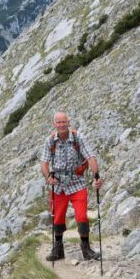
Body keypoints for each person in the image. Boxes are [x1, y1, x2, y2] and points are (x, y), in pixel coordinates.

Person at [40, 112, 103, 261]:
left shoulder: (78, 138)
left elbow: (90, 157)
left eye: (64, 122)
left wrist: (96, 176)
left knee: (81, 216)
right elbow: (44, 163)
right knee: (57, 218)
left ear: (68, 122)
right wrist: (48, 176)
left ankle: (86, 249)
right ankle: (58, 250)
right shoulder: (50, 141)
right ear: (54, 124)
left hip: (77, 183)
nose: (61, 125)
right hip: (59, 185)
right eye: (58, 122)